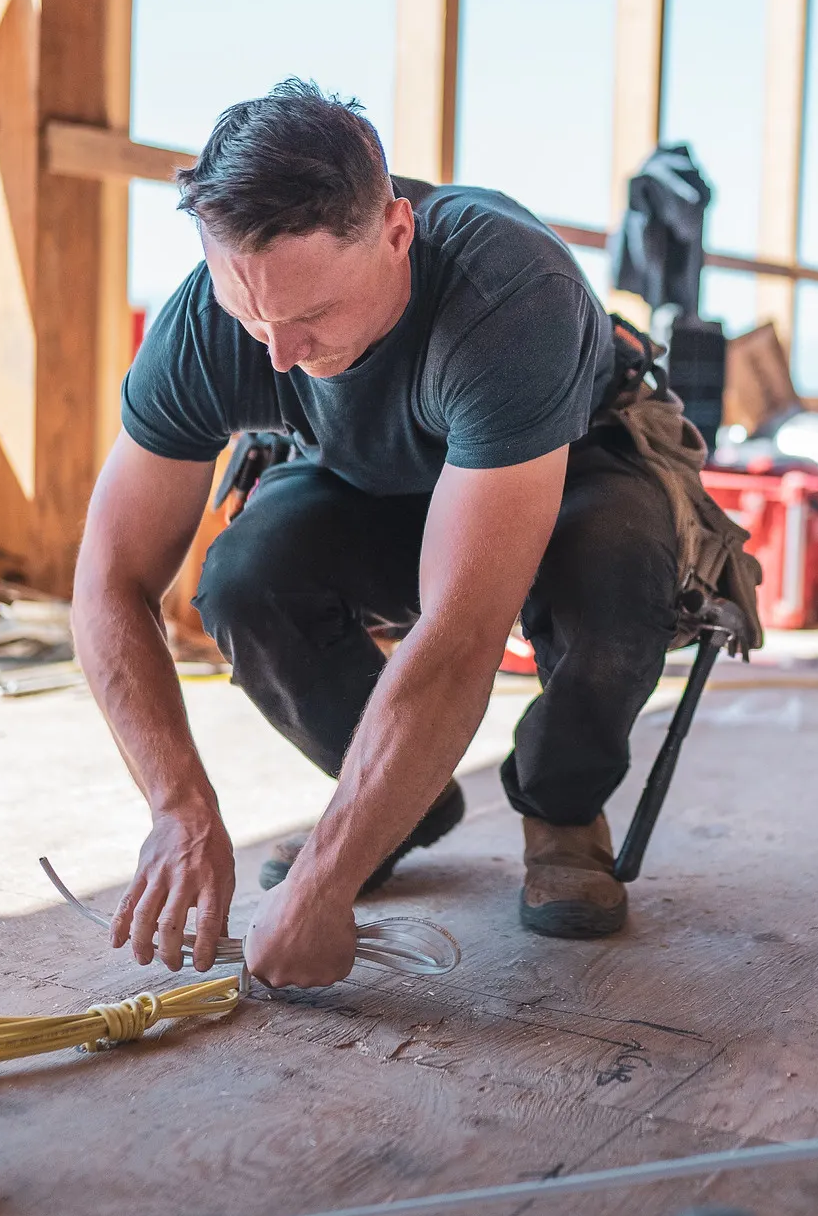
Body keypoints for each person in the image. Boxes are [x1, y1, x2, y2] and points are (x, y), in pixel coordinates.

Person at [74, 79, 698, 990]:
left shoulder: (511, 294)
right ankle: (398, 808)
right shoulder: (213, 326)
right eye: (251, 318)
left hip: (561, 470)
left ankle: (564, 807)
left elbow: (460, 640)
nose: (278, 356)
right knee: (245, 572)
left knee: (621, 568)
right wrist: (179, 808)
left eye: (311, 316)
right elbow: (108, 580)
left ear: (398, 233)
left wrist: (325, 883)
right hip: (366, 473)